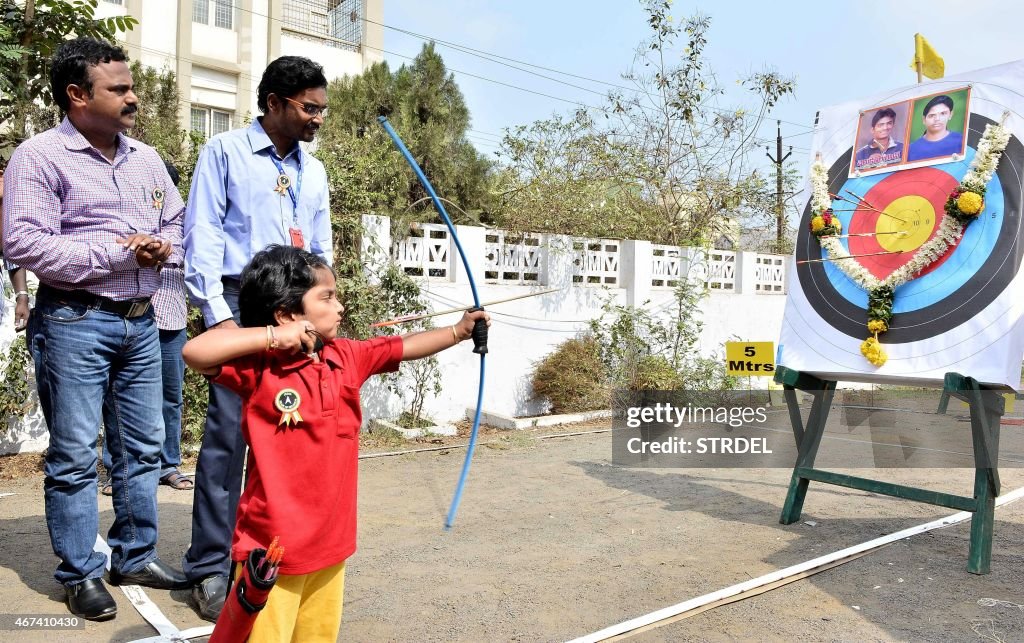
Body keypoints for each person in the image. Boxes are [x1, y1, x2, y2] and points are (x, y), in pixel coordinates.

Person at [183, 245, 490, 642]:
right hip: (271, 552)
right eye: (326, 297)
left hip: (331, 546)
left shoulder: (347, 356)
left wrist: (457, 331)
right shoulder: (261, 367)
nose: (339, 306)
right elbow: (195, 352)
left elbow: (404, 345)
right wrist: (274, 338)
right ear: (287, 313)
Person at [1, 37, 188, 621]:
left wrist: (162, 247)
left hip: (142, 323)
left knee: (142, 449)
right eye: (120, 89)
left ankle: (134, 555)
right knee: (78, 454)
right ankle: (80, 571)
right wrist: (118, 254)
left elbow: (179, 224)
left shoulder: (148, 159)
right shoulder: (39, 157)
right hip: (73, 322)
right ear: (77, 95)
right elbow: (24, 243)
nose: (133, 98)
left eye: (131, 86)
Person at [182, 55, 332, 621]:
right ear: (274, 102)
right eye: (308, 108)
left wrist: (316, 315)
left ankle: (266, 562)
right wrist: (220, 319)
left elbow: (319, 248)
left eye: (321, 110)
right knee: (227, 442)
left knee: (284, 439)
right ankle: (208, 568)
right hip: (238, 307)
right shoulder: (224, 153)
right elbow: (205, 232)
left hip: (299, 317)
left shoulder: (314, 172)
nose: (317, 119)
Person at [101, 160, 192, 495]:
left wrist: (162, 252)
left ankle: (168, 465)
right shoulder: (124, 219)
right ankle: (117, 468)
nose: (157, 198)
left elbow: (190, 254)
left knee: (170, 397)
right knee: (118, 398)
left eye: (162, 191)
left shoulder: (181, 222)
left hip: (171, 319)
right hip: (132, 317)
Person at [907, 95, 964, 162]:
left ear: (950, 115)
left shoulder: (961, 141)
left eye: (943, 113)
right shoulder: (910, 149)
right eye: (932, 115)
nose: (937, 119)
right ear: (924, 119)